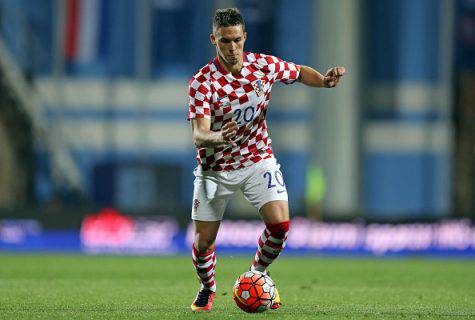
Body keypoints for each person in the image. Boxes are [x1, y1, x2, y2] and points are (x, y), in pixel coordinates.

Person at [188, 8, 345, 312]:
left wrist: (324, 81)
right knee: (203, 243)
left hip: (257, 159)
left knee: (280, 225)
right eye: (224, 42)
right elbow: (199, 134)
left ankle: (257, 275)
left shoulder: (263, 66)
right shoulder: (202, 82)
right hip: (214, 170)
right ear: (213, 40)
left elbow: (298, 72)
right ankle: (208, 288)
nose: (231, 48)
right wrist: (220, 136)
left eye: (236, 40)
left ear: (244, 36)